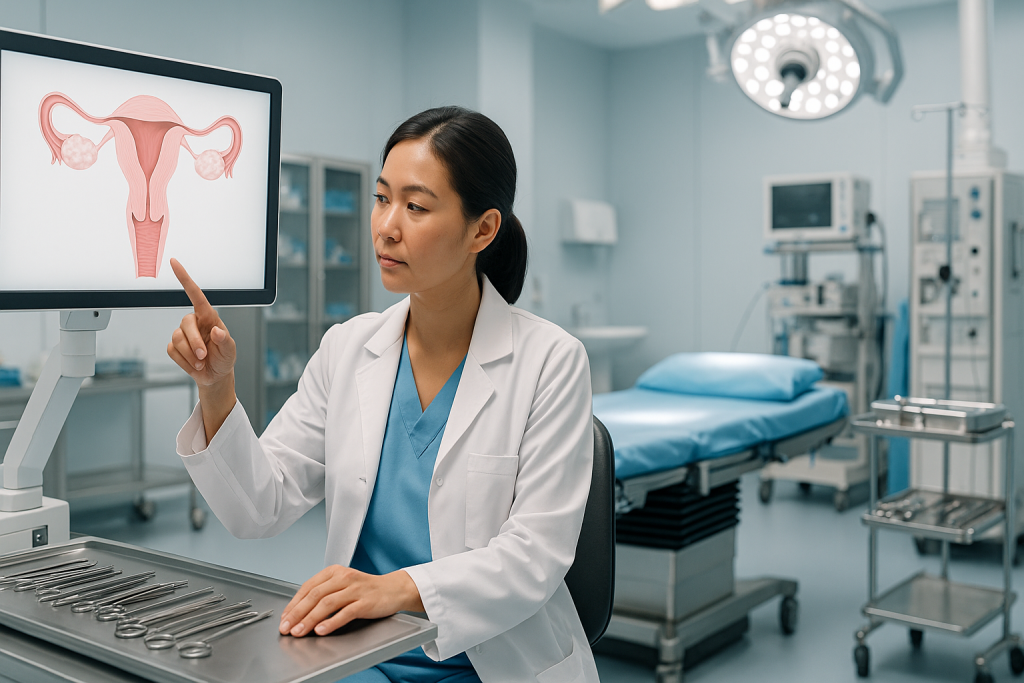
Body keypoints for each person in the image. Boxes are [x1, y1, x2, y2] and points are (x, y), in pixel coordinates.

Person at [167, 106, 598, 682]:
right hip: (357, 655)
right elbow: (260, 507)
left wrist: (395, 590)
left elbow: (533, 557)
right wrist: (216, 387)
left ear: (483, 229)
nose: (387, 225)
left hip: (490, 663)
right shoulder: (348, 349)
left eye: (416, 206)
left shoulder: (551, 362)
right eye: (380, 198)